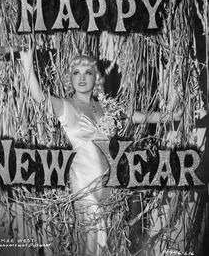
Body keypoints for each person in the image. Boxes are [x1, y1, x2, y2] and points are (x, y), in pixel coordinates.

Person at [20, 46, 183, 256]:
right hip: (83, 181)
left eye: (87, 73)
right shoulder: (66, 106)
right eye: (76, 73)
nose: (81, 78)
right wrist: (27, 65)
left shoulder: (106, 108)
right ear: (70, 78)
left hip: (107, 182)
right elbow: (39, 97)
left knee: (107, 242)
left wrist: (175, 116)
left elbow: (143, 116)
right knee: (89, 240)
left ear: (95, 78)